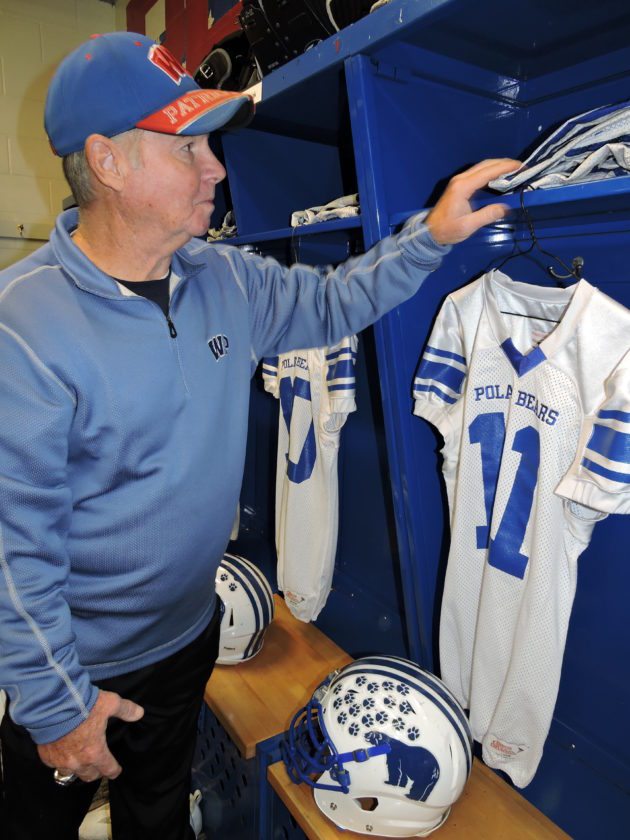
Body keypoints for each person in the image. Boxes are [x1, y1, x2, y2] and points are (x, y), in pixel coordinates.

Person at [0, 30, 519, 840]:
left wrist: (431, 237)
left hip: (186, 636)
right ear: (108, 162)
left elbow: (334, 301)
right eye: (189, 148)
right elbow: (11, 549)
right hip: (79, 663)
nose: (216, 169)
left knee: (158, 814)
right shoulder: (22, 326)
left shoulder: (224, 276)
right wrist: (55, 706)